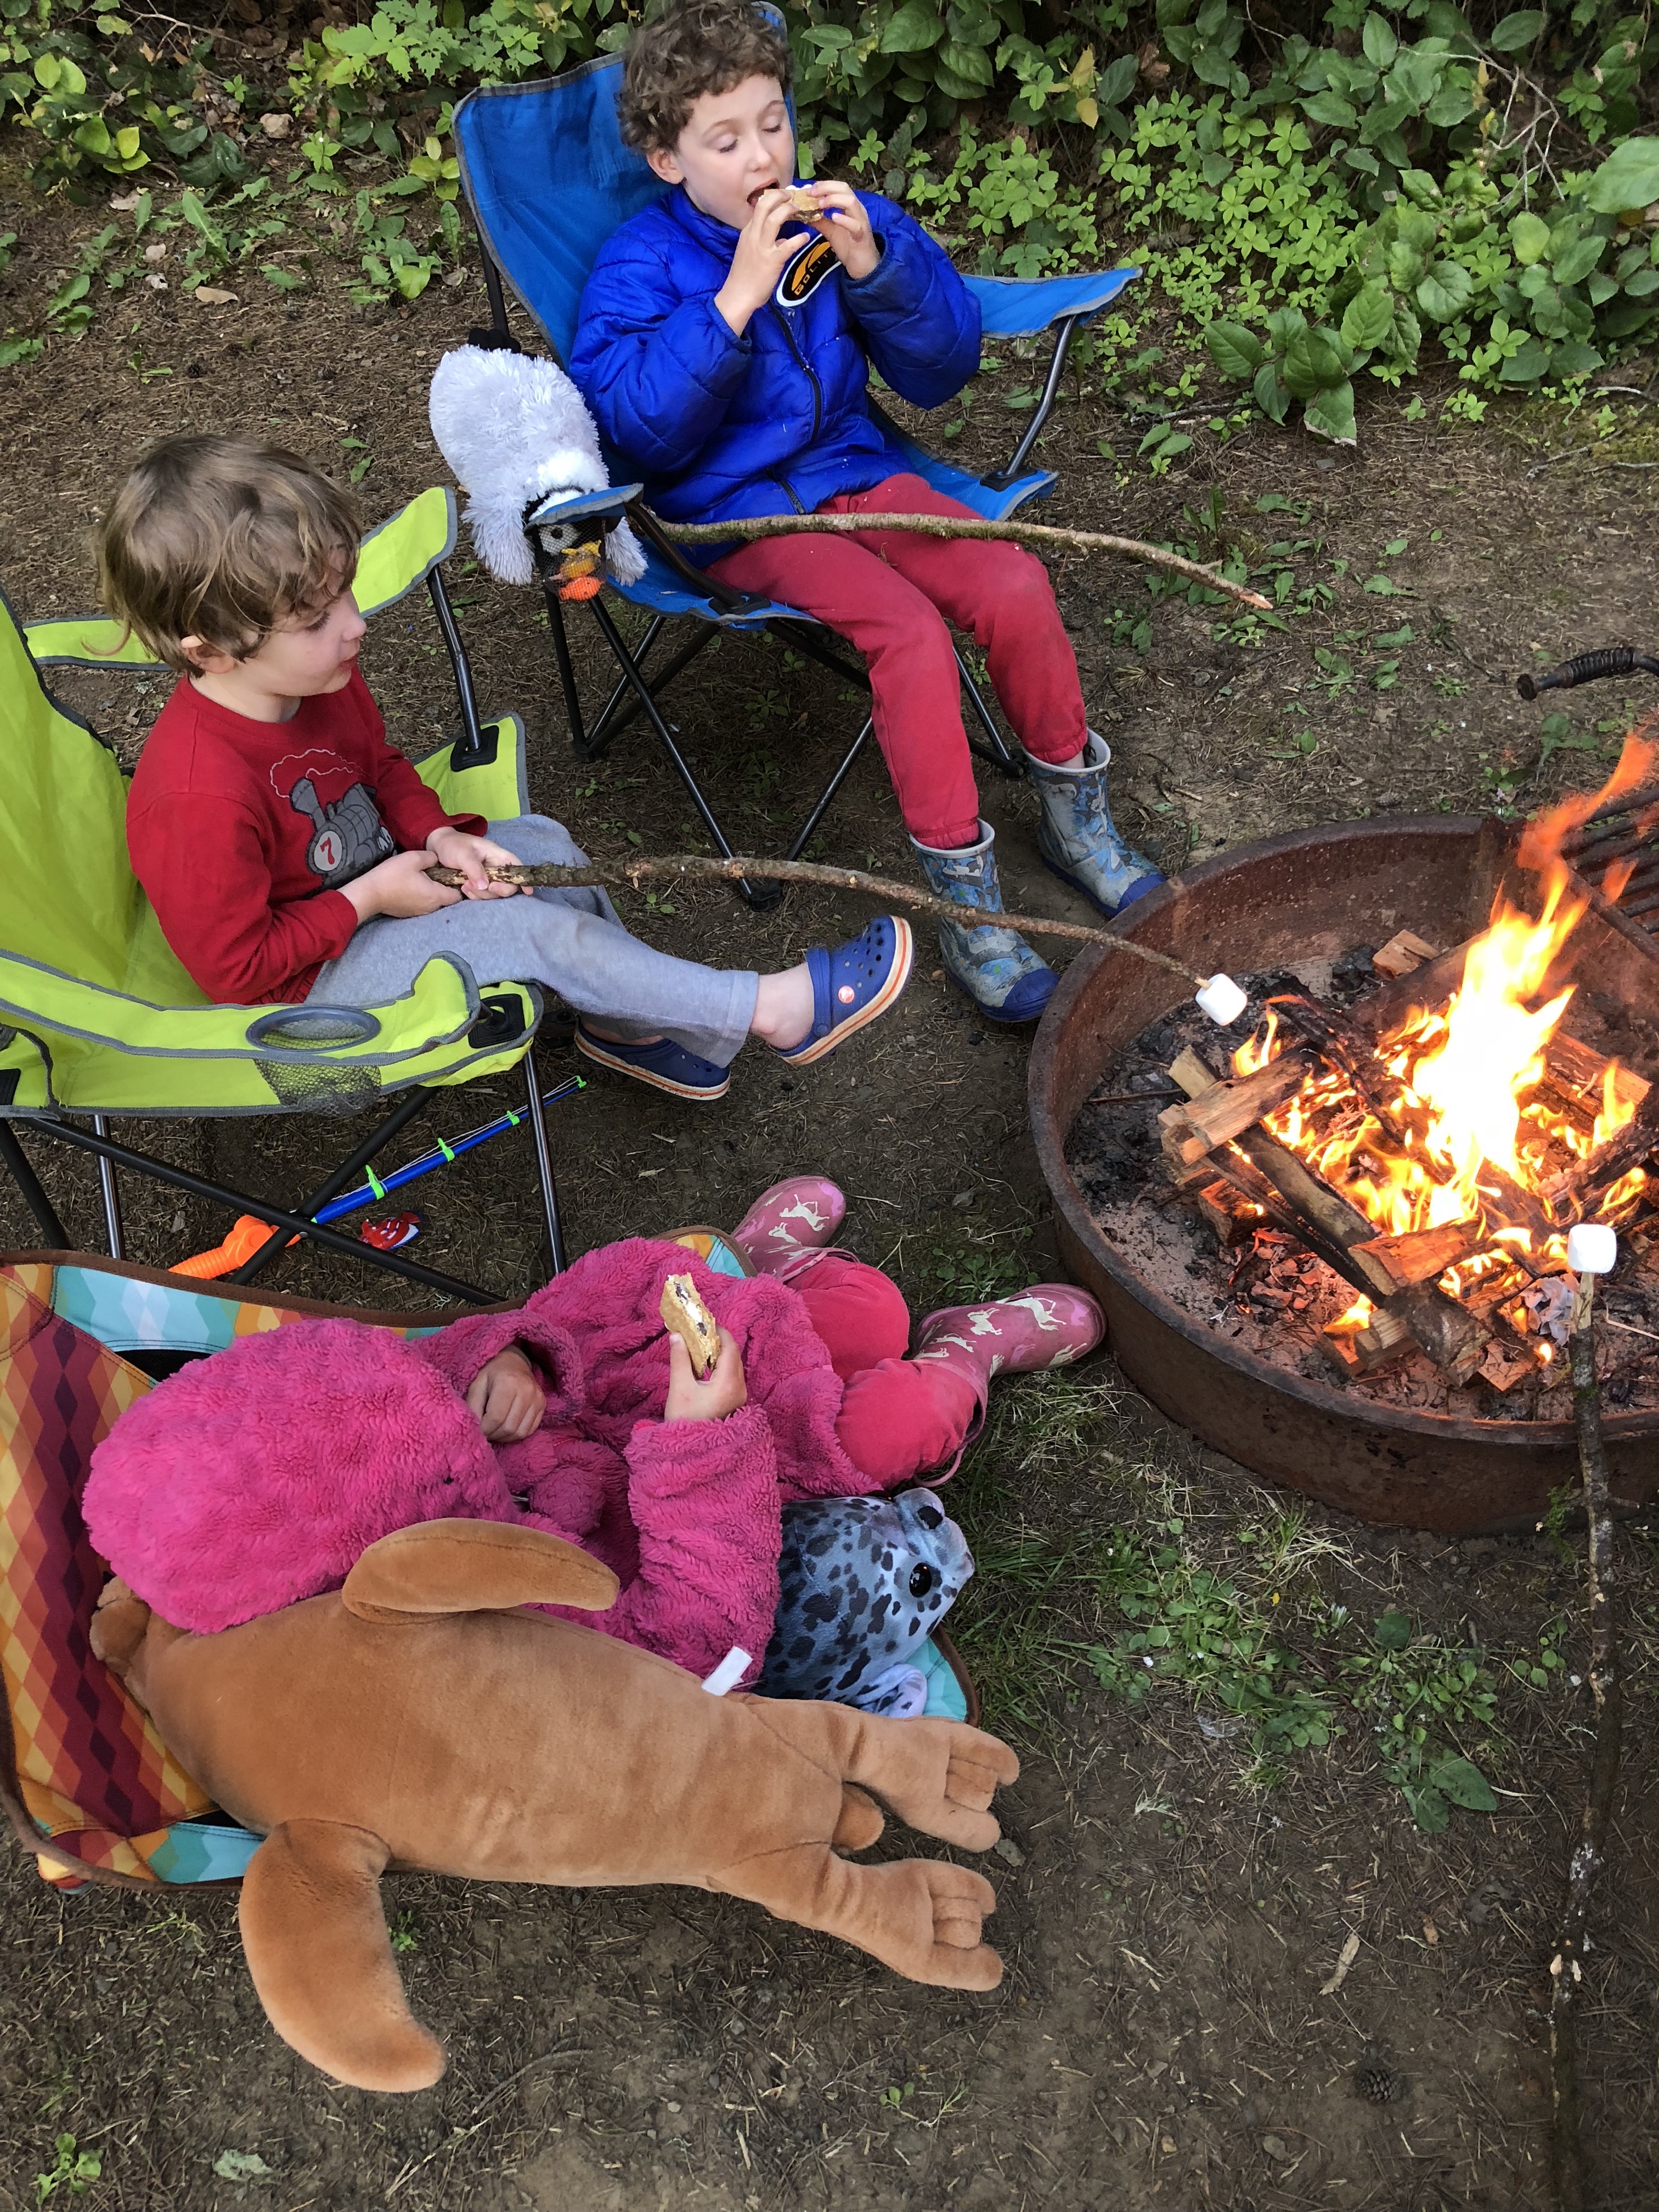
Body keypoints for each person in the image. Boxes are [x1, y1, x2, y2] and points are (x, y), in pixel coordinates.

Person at [568, 0, 1162, 1029]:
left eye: (773, 123)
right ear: (669, 162)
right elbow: (636, 433)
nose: (762, 155)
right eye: (726, 139)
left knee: (1011, 577)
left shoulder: (849, 219)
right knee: (908, 629)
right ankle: (968, 906)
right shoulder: (638, 266)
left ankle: (1077, 818)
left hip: (857, 471)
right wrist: (733, 303)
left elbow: (943, 370)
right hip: (741, 518)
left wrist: (876, 268)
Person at [100, 433, 911, 1103]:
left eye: (345, 595)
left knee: (541, 845)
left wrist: (441, 836)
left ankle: (625, 1023)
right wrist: (372, 895)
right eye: (318, 619)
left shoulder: (312, 679)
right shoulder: (195, 794)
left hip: (368, 893)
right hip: (305, 992)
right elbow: (237, 972)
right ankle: (769, 1010)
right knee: (529, 926)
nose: (355, 628)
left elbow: (380, 770)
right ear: (210, 649)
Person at [82, 1176, 1103, 1694]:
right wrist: (706, 1439)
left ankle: (749, 1271)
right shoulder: (487, 1617)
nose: (427, 1388)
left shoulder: (368, 1403)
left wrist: (507, 1359)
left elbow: (463, 1343)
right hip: (710, 1486)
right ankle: (971, 1353)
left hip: (618, 1385)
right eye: (427, 1416)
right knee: (901, 1413)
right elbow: (699, 1645)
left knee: (861, 1312)